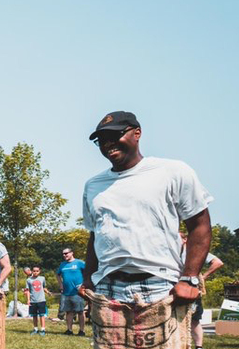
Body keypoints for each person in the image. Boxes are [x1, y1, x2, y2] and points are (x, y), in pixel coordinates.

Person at [80, 111, 213, 307]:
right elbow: (95, 235)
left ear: (137, 133)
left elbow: (200, 226)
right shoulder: (93, 186)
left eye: (115, 136)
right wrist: (89, 279)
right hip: (107, 286)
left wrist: (189, 278)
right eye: (101, 140)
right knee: (108, 340)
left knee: (166, 340)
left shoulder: (172, 172)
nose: (107, 144)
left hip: (160, 285)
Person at [180, 232, 224, 349]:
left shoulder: (194, 250)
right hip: (173, 289)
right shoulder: (169, 251)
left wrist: (203, 277)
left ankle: (199, 348)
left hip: (192, 290)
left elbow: (218, 262)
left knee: (194, 320)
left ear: (185, 239)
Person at [56, 247, 87, 335]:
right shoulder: (62, 264)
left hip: (78, 293)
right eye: (63, 254)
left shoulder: (79, 263)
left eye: (66, 253)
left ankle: (82, 331)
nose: (64, 255)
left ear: (72, 253)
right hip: (66, 292)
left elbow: (88, 273)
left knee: (80, 312)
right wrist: (60, 284)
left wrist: (84, 285)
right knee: (68, 312)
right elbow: (58, 275)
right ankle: (69, 330)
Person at [25, 266, 48, 336]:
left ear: (39, 271)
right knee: (34, 315)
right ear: (32, 271)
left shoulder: (42, 278)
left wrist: (47, 292)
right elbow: (28, 291)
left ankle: (43, 329)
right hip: (33, 300)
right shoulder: (28, 280)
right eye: (34, 271)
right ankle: (35, 329)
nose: (35, 272)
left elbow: (44, 287)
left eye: (37, 271)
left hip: (41, 300)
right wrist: (28, 300)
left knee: (42, 315)